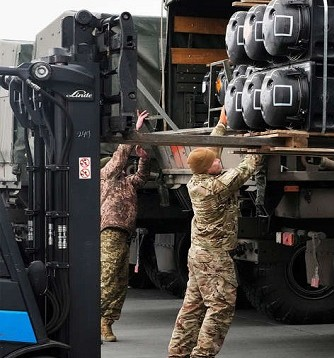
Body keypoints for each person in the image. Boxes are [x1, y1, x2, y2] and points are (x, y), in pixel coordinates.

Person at [168, 108, 262, 358]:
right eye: (215, 163)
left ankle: (178, 353)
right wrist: (256, 143)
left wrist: (221, 126)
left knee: (193, 306)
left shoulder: (198, 179)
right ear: (208, 169)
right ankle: (202, 354)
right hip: (214, 258)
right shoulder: (215, 186)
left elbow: (212, 152)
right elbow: (246, 169)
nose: (219, 161)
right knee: (221, 306)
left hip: (199, 255)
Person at [100, 110, 150, 342]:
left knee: (120, 281)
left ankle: (107, 322)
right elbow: (119, 157)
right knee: (108, 277)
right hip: (110, 232)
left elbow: (141, 178)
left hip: (123, 235)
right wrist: (135, 131)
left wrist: (144, 158)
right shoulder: (105, 177)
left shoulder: (126, 184)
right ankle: (97, 319)